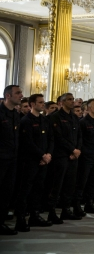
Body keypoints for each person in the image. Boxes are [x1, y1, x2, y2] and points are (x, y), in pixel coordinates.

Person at [14, 94, 54, 231]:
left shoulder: (44, 120)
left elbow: (51, 139)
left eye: (43, 102)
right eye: (40, 102)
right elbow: (27, 142)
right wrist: (42, 155)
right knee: (25, 190)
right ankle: (20, 219)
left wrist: (48, 154)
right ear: (32, 104)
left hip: (44, 161)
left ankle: (35, 215)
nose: (43, 104)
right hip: (30, 161)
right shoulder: (26, 120)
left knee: (38, 189)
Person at [48, 93, 83, 222]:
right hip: (61, 155)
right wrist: (72, 149)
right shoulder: (55, 117)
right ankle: (51, 212)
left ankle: (66, 210)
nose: (72, 101)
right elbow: (58, 137)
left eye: (73, 99)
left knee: (70, 184)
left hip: (73, 156)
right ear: (61, 102)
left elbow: (79, 135)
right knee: (57, 184)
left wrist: (77, 149)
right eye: (69, 99)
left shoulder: (74, 117)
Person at [74, 98, 94, 217]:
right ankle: (76, 206)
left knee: (93, 183)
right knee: (81, 183)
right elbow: (80, 140)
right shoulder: (83, 122)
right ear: (89, 108)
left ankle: (89, 203)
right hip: (86, 157)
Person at [0, 85, 24, 235]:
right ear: (8, 96)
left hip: (12, 159)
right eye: (18, 93)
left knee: (7, 192)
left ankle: (1, 222)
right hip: (1, 159)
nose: (21, 95)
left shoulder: (15, 114)